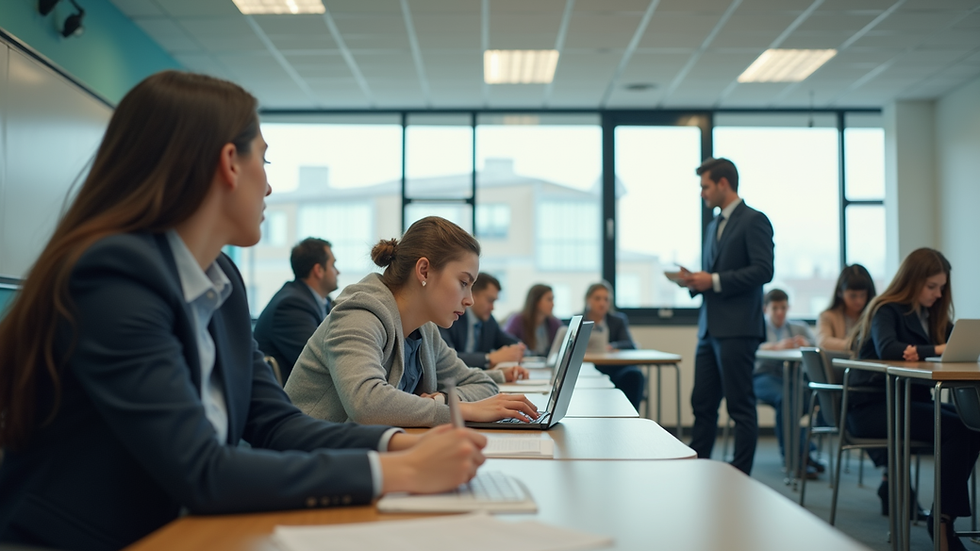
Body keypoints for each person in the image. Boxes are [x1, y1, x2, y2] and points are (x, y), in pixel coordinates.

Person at [0, 71, 486, 551]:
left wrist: (401, 444)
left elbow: (276, 423)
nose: (270, 187)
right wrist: (398, 471)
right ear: (230, 163)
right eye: (266, 161)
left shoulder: (222, 283)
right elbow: (201, 469)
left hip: (187, 528)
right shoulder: (113, 278)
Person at [285, 216, 539, 427]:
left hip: (362, 455)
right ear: (424, 271)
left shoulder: (424, 330)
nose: (469, 300)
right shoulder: (358, 313)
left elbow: (481, 384)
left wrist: (441, 400)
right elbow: (367, 403)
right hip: (307, 465)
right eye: (463, 283)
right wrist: (462, 410)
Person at [848, 248, 980, 550]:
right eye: (931, 286)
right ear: (912, 281)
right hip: (872, 407)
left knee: (972, 424)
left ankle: (943, 515)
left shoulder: (932, 314)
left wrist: (926, 348)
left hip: (908, 403)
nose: (937, 294)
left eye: (941, 287)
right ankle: (942, 522)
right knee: (959, 429)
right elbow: (890, 349)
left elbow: (954, 344)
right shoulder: (886, 309)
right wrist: (933, 349)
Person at [679, 157, 774, 475]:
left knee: (739, 406)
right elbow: (714, 275)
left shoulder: (754, 220)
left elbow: (764, 270)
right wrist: (696, 281)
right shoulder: (712, 226)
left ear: (723, 183)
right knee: (702, 404)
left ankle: (739, 475)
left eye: (704, 186)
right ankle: (698, 469)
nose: (701, 193)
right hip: (709, 329)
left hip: (737, 330)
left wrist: (714, 280)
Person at [752, 288, 822, 477]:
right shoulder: (757, 327)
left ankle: (801, 454)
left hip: (792, 377)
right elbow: (750, 349)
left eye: (783, 307)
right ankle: (794, 459)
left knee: (810, 397)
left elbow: (818, 348)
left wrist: (807, 345)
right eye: (775, 308)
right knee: (788, 398)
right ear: (766, 309)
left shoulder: (799, 328)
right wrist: (775, 346)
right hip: (763, 377)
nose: (780, 312)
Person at [254, 237, 339, 384]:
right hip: (294, 398)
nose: (338, 271)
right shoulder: (290, 305)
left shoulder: (323, 302)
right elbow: (320, 360)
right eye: (333, 265)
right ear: (318, 270)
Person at [438, 273, 528, 382]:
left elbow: (507, 341)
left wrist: (518, 349)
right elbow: (448, 359)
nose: (493, 307)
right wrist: (490, 358)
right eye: (490, 300)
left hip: (475, 381)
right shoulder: (452, 316)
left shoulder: (489, 321)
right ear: (473, 295)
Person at [581, 281, 645, 410]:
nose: (602, 303)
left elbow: (629, 344)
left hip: (613, 368)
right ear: (588, 300)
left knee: (635, 375)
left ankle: (631, 417)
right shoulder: (579, 320)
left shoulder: (617, 320)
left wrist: (612, 346)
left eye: (606, 299)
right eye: (597, 298)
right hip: (587, 369)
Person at [817, 264, 876, 353]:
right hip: (837, 366)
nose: (858, 301)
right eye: (853, 296)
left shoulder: (875, 315)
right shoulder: (827, 316)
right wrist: (855, 345)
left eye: (863, 295)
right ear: (840, 293)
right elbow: (823, 342)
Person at [504, 284, 561, 357]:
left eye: (553, 299)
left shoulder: (553, 323)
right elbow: (506, 344)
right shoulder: (518, 320)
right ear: (536, 302)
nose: (553, 304)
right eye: (549, 300)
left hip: (544, 364)